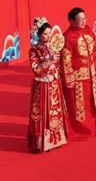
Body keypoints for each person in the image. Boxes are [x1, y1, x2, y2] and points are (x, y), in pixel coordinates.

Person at [61, 7, 96, 140]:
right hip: (77, 77)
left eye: (84, 18)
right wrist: (69, 78)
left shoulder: (88, 30)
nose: (83, 21)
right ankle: (81, 128)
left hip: (90, 73)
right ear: (71, 21)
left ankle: (93, 125)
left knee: (91, 101)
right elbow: (65, 60)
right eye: (79, 20)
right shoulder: (67, 37)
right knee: (78, 105)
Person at [28, 18, 70, 153]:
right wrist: (49, 61)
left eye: (49, 33)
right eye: (45, 34)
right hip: (42, 85)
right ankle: (42, 141)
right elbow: (36, 70)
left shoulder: (53, 45)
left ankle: (56, 138)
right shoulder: (34, 50)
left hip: (54, 83)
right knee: (42, 112)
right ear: (39, 34)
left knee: (55, 111)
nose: (48, 36)